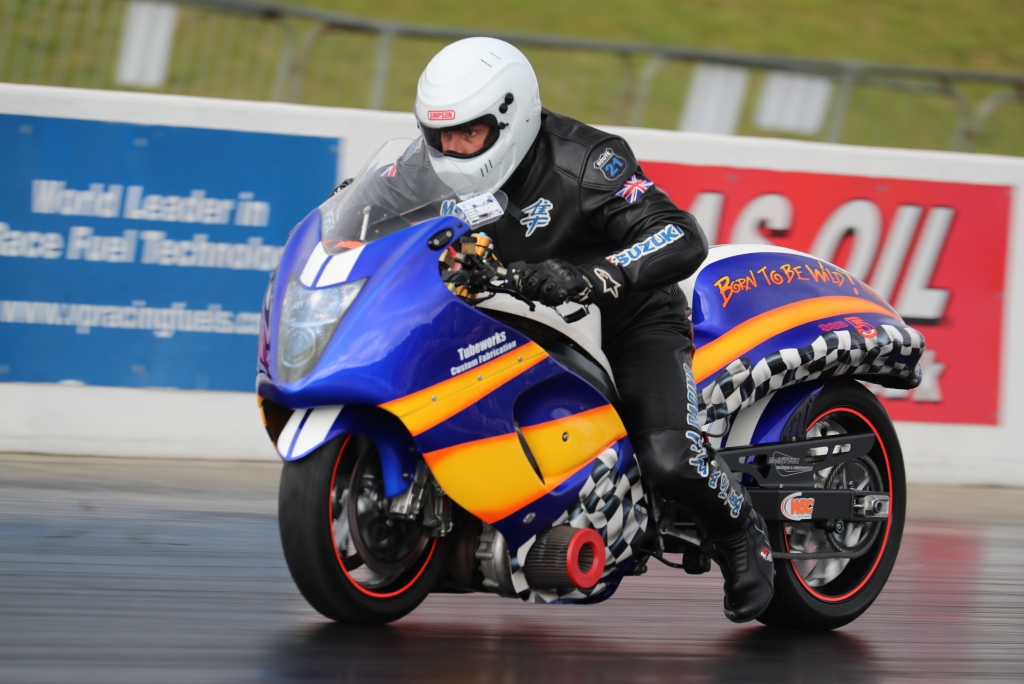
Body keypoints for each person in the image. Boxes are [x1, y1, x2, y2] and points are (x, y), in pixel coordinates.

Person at [414, 37, 774, 623]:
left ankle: (740, 531)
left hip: (624, 319)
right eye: (438, 134)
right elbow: (378, 221)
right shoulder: (423, 166)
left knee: (668, 457)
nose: (450, 148)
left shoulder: (587, 161)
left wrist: (597, 276)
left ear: (511, 117)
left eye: (468, 133)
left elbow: (680, 232)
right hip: (507, 317)